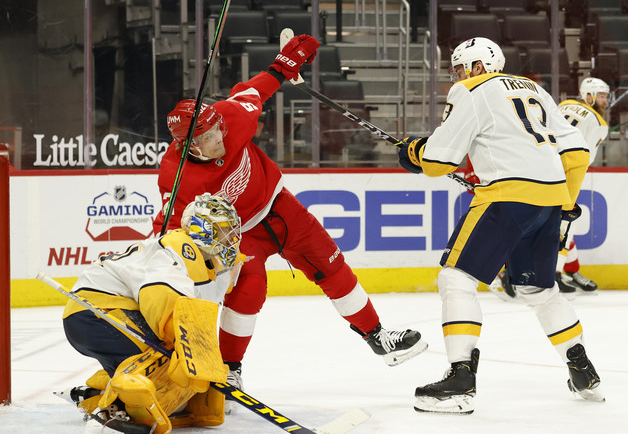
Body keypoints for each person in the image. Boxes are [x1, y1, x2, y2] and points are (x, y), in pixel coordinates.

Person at [153, 34, 427, 405]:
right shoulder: (175, 173)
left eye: (218, 128)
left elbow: (259, 88)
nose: (221, 137)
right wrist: (158, 258)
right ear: (189, 146)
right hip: (237, 236)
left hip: (280, 208)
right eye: (209, 135)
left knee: (331, 263)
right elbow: (168, 224)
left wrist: (285, 63)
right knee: (249, 290)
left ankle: (378, 336)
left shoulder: (232, 116)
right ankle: (230, 369)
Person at [397, 37, 605, 414]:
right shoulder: (535, 89)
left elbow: (438, 163)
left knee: (456, 278)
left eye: (461, 69)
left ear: (477, 67)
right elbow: (576, 153)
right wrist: (566, 205)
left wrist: (414, 151)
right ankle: (582, 370)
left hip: (507, 198)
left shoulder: (471, 89)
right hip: (550, 199)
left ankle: (461, 380)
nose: (457, 78)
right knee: (538, 288)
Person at [60, 193, 244, 434]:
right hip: (98, 311)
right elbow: (158, 292)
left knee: (168, 369)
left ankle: (97, 393)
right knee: (162, 356)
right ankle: (112, 418)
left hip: (94, 313)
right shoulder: (182, 247)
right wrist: (188, 349)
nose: (231, 238)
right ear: (203, 229)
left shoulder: (201, 259)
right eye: (224, 230)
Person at [554, 77, 610, 294]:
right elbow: (586, 158)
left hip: (541, 167)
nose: (605, 101)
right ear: (589, 97)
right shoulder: (599, 123)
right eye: (602, 96)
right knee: (567, 225)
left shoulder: (561, 105)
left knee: (557, 226)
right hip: (566, 175)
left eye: (606, 96)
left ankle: (573, 271)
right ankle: (555, 276)